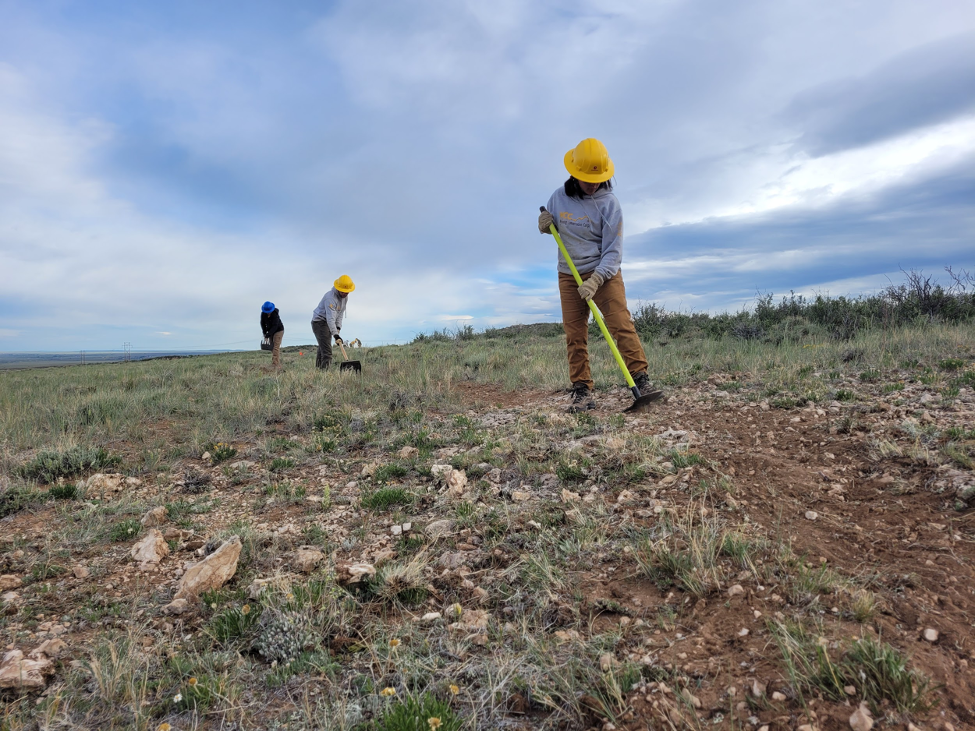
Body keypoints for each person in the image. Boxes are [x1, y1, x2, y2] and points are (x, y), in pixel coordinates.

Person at [538, 137, 658, 413]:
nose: (593, 184)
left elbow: (614, 250)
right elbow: (549, 224)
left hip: (603, 272)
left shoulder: (609, 204)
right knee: (575, 334)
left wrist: (596, 279)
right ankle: (582, 391)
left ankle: (641, 380)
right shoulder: (558, 197)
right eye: (587, 179)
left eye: (597, 179)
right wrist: (543, 225)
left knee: (620, 324)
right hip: (569, 274)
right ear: (574, 173)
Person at [311, 275, 354, 369]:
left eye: (347, 292)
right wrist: (336, 335)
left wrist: (338, 327)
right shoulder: (330, 298)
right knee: (327, 351)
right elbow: (330, 319)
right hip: (319, 322)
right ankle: (324, 373)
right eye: (343, 291)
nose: (345, 294)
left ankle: (318, 370)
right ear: (338, 288)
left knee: (323, 347)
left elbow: (340, 313)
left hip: (328, 322)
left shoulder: (345, 298)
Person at [260, 301, 285, 370]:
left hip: (278, 330)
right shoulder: (263, 314)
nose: (268, 313)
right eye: (266, 312)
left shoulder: (275, 314)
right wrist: (265, 334)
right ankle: (276, 361)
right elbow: (262, 324)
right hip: (270, 331)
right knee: (272, 347)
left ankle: (275, 364)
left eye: (269, 311)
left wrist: (267, 335)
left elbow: (275, 326)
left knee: (275, 347)